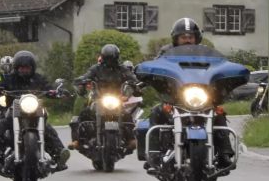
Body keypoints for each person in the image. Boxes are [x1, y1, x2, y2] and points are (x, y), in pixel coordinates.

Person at [147, 17, 234, 168]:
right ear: (176, 38)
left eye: (190, 37)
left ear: (196, 38)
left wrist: (226, 77)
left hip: (201, 96)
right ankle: (154, 154)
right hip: (175, 97)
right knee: (156, 112)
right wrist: (149, 74)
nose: (187, 40)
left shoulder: (206, 54)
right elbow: (156, 66)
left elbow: (220, 66)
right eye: (183, 37)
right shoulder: (166, 52)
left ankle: (225, 152)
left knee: (218, 113)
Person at [0, 50, 70, 172]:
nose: (24, 70)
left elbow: (48, 88)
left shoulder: (38, 78)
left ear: (32, 67)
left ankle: (59, 154)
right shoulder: (9, 78)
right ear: (16, 68)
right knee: (1, 124)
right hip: (14, 110)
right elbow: (1, 87)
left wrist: (56, 92)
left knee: (47, 128)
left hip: (35, 111)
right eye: (21, 68)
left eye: (27, 67)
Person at [69, 44, 138, 151]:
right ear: (103, 58)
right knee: (83, 115)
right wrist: (82, 81)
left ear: (117, 58)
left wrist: (136, 84)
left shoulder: (122, 69)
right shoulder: (96, 69)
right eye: (108, 59)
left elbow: (133, 78)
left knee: (127, 116)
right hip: (98, 99)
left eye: (112, 59)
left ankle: (131, 140)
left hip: (116, 100)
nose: (110, 62)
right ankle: (77, 140)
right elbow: (87, 76)